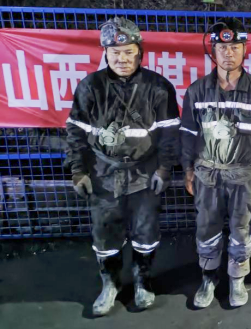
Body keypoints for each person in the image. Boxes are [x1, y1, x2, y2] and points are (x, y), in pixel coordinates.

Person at [66, 17, 180, 316]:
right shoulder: (90, 87)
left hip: (145, 172)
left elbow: (169, 134)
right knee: (105, 232)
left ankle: (143, 281)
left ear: (139, 52)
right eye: (115, 52)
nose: (122, 59)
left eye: (128, 52)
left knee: (146, 230)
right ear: (105, 53)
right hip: (102, 173)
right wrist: (78, 170)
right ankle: (110, 283)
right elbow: (76, 132)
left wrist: (165, 168)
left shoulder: (158, 87)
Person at [180, 17, 251, 307]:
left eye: (235, 47)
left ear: (244, 50)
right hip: (207, 174)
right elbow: (187, 134)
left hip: (245, 174)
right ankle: (208, 278)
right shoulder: (197, 91)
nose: (229, 53)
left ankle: (237, 279)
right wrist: (188, 169)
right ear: (213, 51)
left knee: (241, 229)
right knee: (206, 228)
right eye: (222, 47)